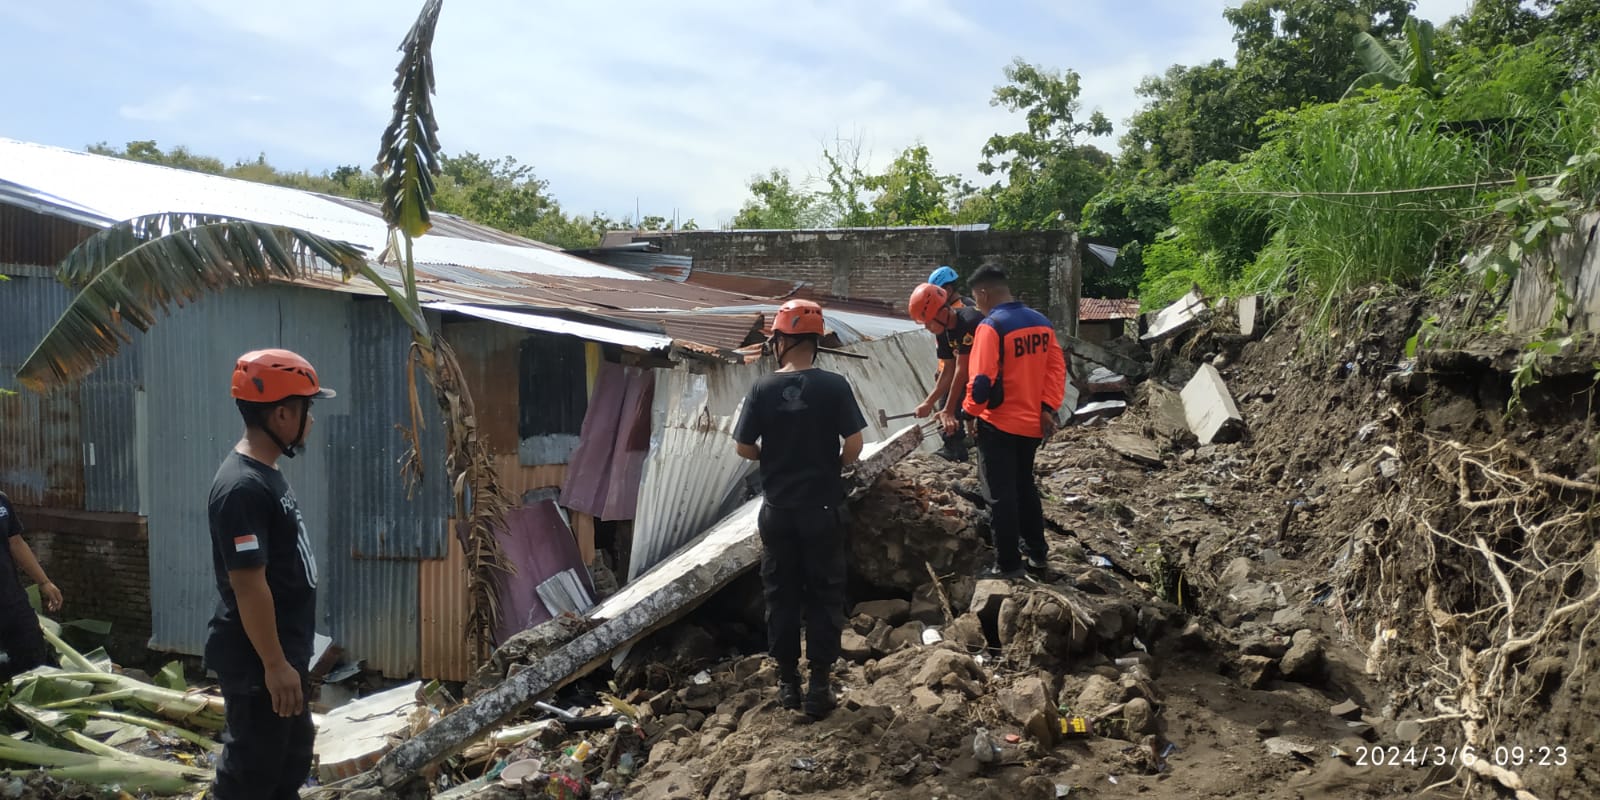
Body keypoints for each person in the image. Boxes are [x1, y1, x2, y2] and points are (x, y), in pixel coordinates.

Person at [207, 349, 332, 799]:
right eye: (306, 409)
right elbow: (248, 584)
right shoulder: (241, 487)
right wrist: (275, 665)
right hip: (258, 661)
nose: (310, 421)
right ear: (281, 414)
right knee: (250, 776)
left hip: (283, 653)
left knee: (290, 761)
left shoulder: (265, 473)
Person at [733, 300, 867, 719]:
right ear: (814, 341)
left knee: (782, 594)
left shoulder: (762, 389)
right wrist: (831, 465)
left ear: (782, 340)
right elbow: (855, 444)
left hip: (778, 511)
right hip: (822, 509)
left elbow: (743, 447)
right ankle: (819, 687)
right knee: (825, 595)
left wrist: (772, 458)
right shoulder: (835, 386)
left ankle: (788, 684)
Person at [962, 266, 1066, 579]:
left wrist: (969, 413)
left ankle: (1007, 565)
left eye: (975, 299)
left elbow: (981, 382)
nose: (977, 305)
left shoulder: (991, 327)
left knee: (999, 495)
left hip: (998, 424)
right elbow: (1056, 371)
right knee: (1025, 487)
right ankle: (1037, 556)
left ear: (983, 293)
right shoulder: (1041, 322)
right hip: (1032, 424)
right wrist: (1047, 408)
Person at [907, 282, 986, 462]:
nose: (927, 328)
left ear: (942, 312)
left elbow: (962, 369)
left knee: (959, 410)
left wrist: (949, 411)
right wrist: (928, 403)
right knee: (946, 401)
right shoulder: (943, 332)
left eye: (928, 322)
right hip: (973, 376)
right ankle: (955, 448)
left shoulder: (970, 321)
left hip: (990, 377)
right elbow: (948, 370)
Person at [0, 491, 62, 683]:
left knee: (34, 663)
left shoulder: (2, 501)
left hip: (12, 600)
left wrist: (44, 582)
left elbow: (16, 542)